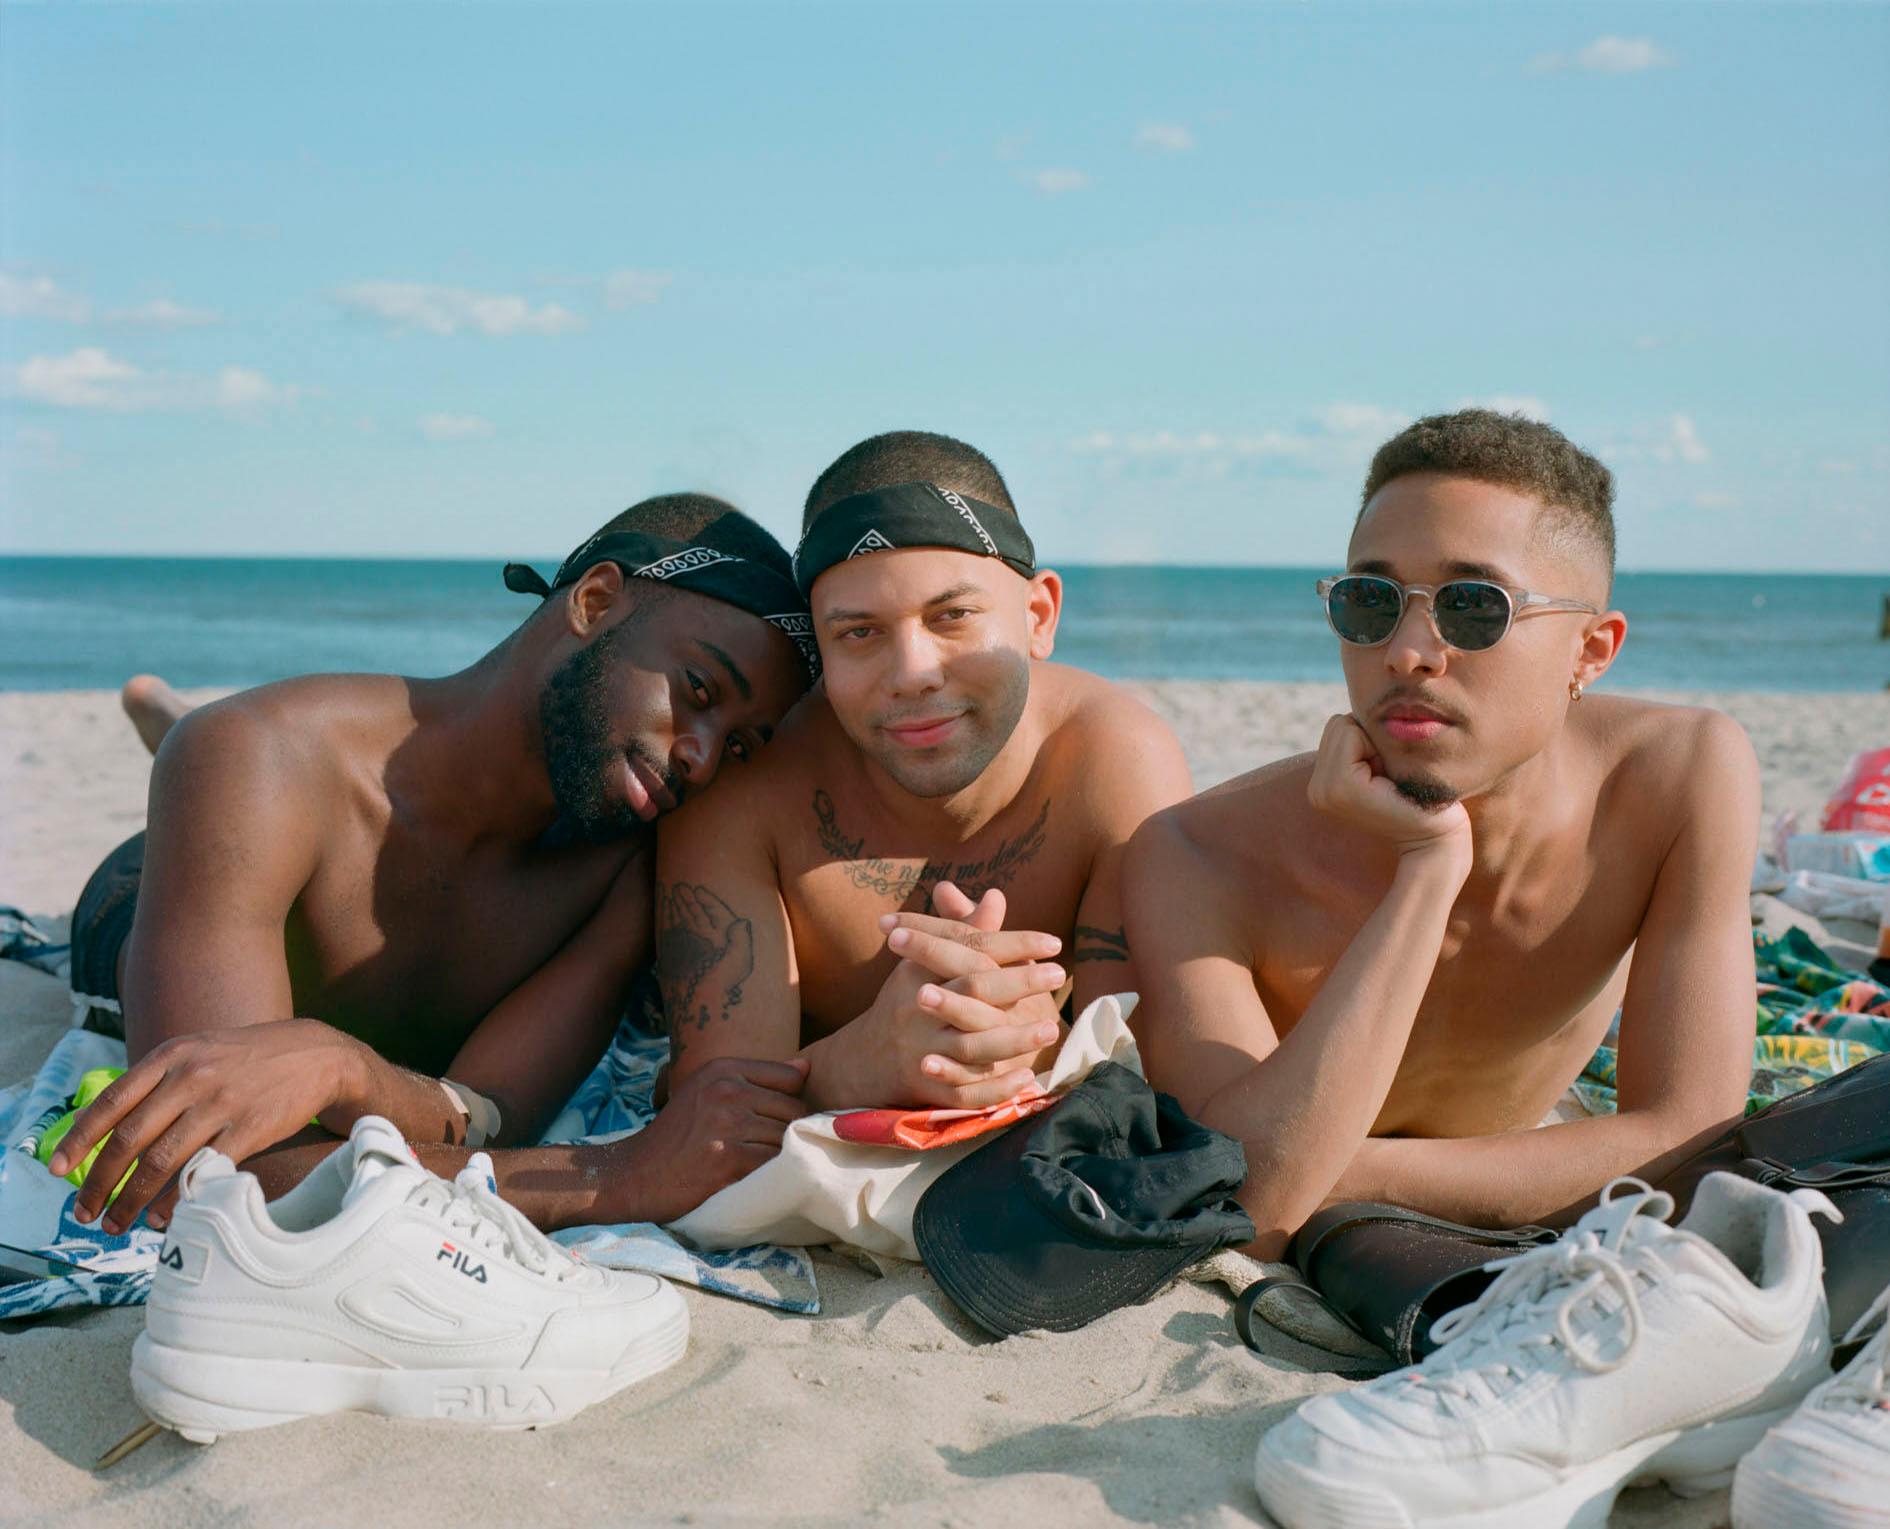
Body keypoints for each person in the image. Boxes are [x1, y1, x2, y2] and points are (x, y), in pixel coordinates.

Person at [49, 495, 820, 1236]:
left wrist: (348, 1070)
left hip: (277, 844)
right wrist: (619, 1174)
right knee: (211, 763)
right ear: (593, 600)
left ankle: (168, 721)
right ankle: (170, 723)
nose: (703, 754)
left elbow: (488, 1116)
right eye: (698, 689)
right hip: (140, 892)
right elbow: (223, 1174)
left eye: (739, 744)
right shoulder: (257, 757)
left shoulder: (625, 866)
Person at [1126, 409, 1759, 1258]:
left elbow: (1689, 1142)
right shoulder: (1196, 853)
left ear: (1592, 651)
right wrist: (1428, 867)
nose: (1408, 652)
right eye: (1370, 601)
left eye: (1472, 607)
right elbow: (1253, 1210)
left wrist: (1342, 1168)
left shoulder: (1676, 776)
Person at [655, 430, 1194, 1112]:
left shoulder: (1112, 759)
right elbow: (710, 1116)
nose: (912, 673)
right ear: (819, 647)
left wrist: (1010, 1038)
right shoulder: (750, 787)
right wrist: (865, 1058)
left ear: (1038, 614)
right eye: (859, 633)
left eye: (954, 616)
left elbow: (1144, 1075)